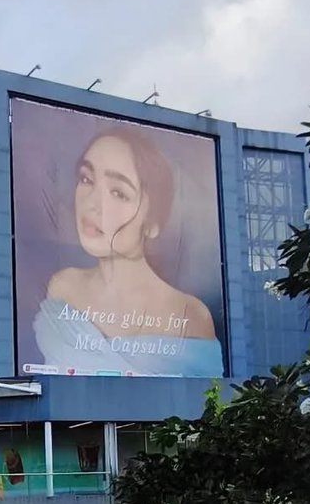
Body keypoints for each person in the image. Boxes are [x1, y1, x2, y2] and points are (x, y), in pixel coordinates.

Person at [33, 126, 224, 377]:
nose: (92, 203)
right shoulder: (63, 286)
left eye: (118, 193)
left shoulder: (191, 315)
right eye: (86, 179)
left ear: (154, 223)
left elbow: (208, 403)